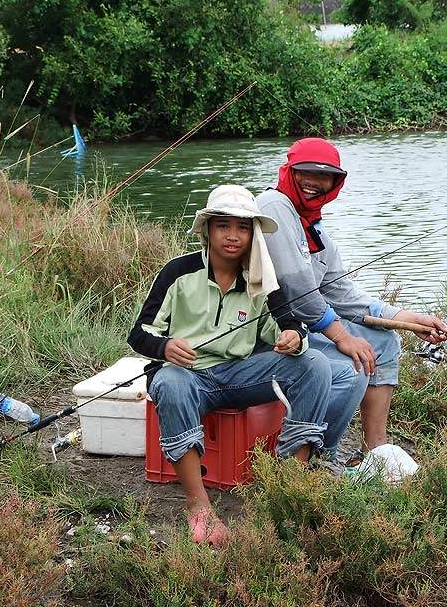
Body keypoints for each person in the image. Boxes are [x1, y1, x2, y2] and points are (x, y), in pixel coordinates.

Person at [128, 185, 332, 546]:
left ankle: (290, 485)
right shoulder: (178, 272)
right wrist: (165, 346)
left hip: (237, 376)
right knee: (171, 383)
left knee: (315, 363)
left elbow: (290, 324)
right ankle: (199, 507)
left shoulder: (261, 279)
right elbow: (139, 334)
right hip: (185, 376)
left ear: (253, 234)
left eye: (243, 227)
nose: (233, 236)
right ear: (207, 230)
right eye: (223, 225)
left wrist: (294, 337)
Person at [256, 138, 447, 462]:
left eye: (325, 176)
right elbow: (298, 289)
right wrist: (343, 337)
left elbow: (341, 292)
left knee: (383, 341)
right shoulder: (273, 206)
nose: (314, 182)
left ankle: (373, 450)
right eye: (306, 172)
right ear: (290, 171)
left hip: (304, 328)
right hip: (271, 332)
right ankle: (322, 456)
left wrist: (407, 318)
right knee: (354, 362)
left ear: (336, 182)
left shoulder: (313, 227)